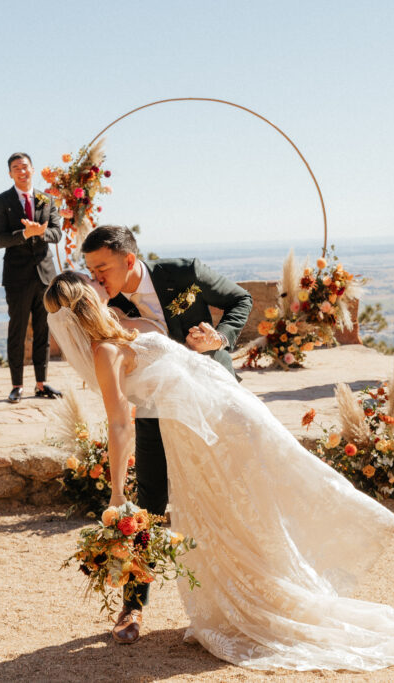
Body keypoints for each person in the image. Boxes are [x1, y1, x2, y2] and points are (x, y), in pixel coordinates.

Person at [44, 271, 394, 671]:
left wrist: (118, 494)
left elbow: (121, 422)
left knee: (225, 516)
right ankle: (275, 592)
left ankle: (261, 605)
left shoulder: (107, 350)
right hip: (226, 413)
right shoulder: (130, 329)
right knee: (245, 511)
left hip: (207, 430)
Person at [79, 225, 252, 643]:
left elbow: (239, 300)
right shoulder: (103, 303)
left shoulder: (183, 272)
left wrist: (219, 339)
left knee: (226, 494)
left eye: (101, 266)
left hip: (210, 398)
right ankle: (133, 606)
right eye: (89, 269)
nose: (96, 276)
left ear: (129, 260)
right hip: (154, 410)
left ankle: (242, 597)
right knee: (150, 503)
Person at [0, 152, 64, 403]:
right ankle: (17, 385)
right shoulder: (1, 200)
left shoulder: (47, 199)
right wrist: (24, 233)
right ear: (10, 173)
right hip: (17, 276)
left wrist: (41, 233)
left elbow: (57, 233)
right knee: (18, 330)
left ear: (33, 170)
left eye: (25, 167)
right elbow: (0, 239)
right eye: (15, 168)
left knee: (44, 329)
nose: (21, 171)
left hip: (45, 275)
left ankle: (41, 383)